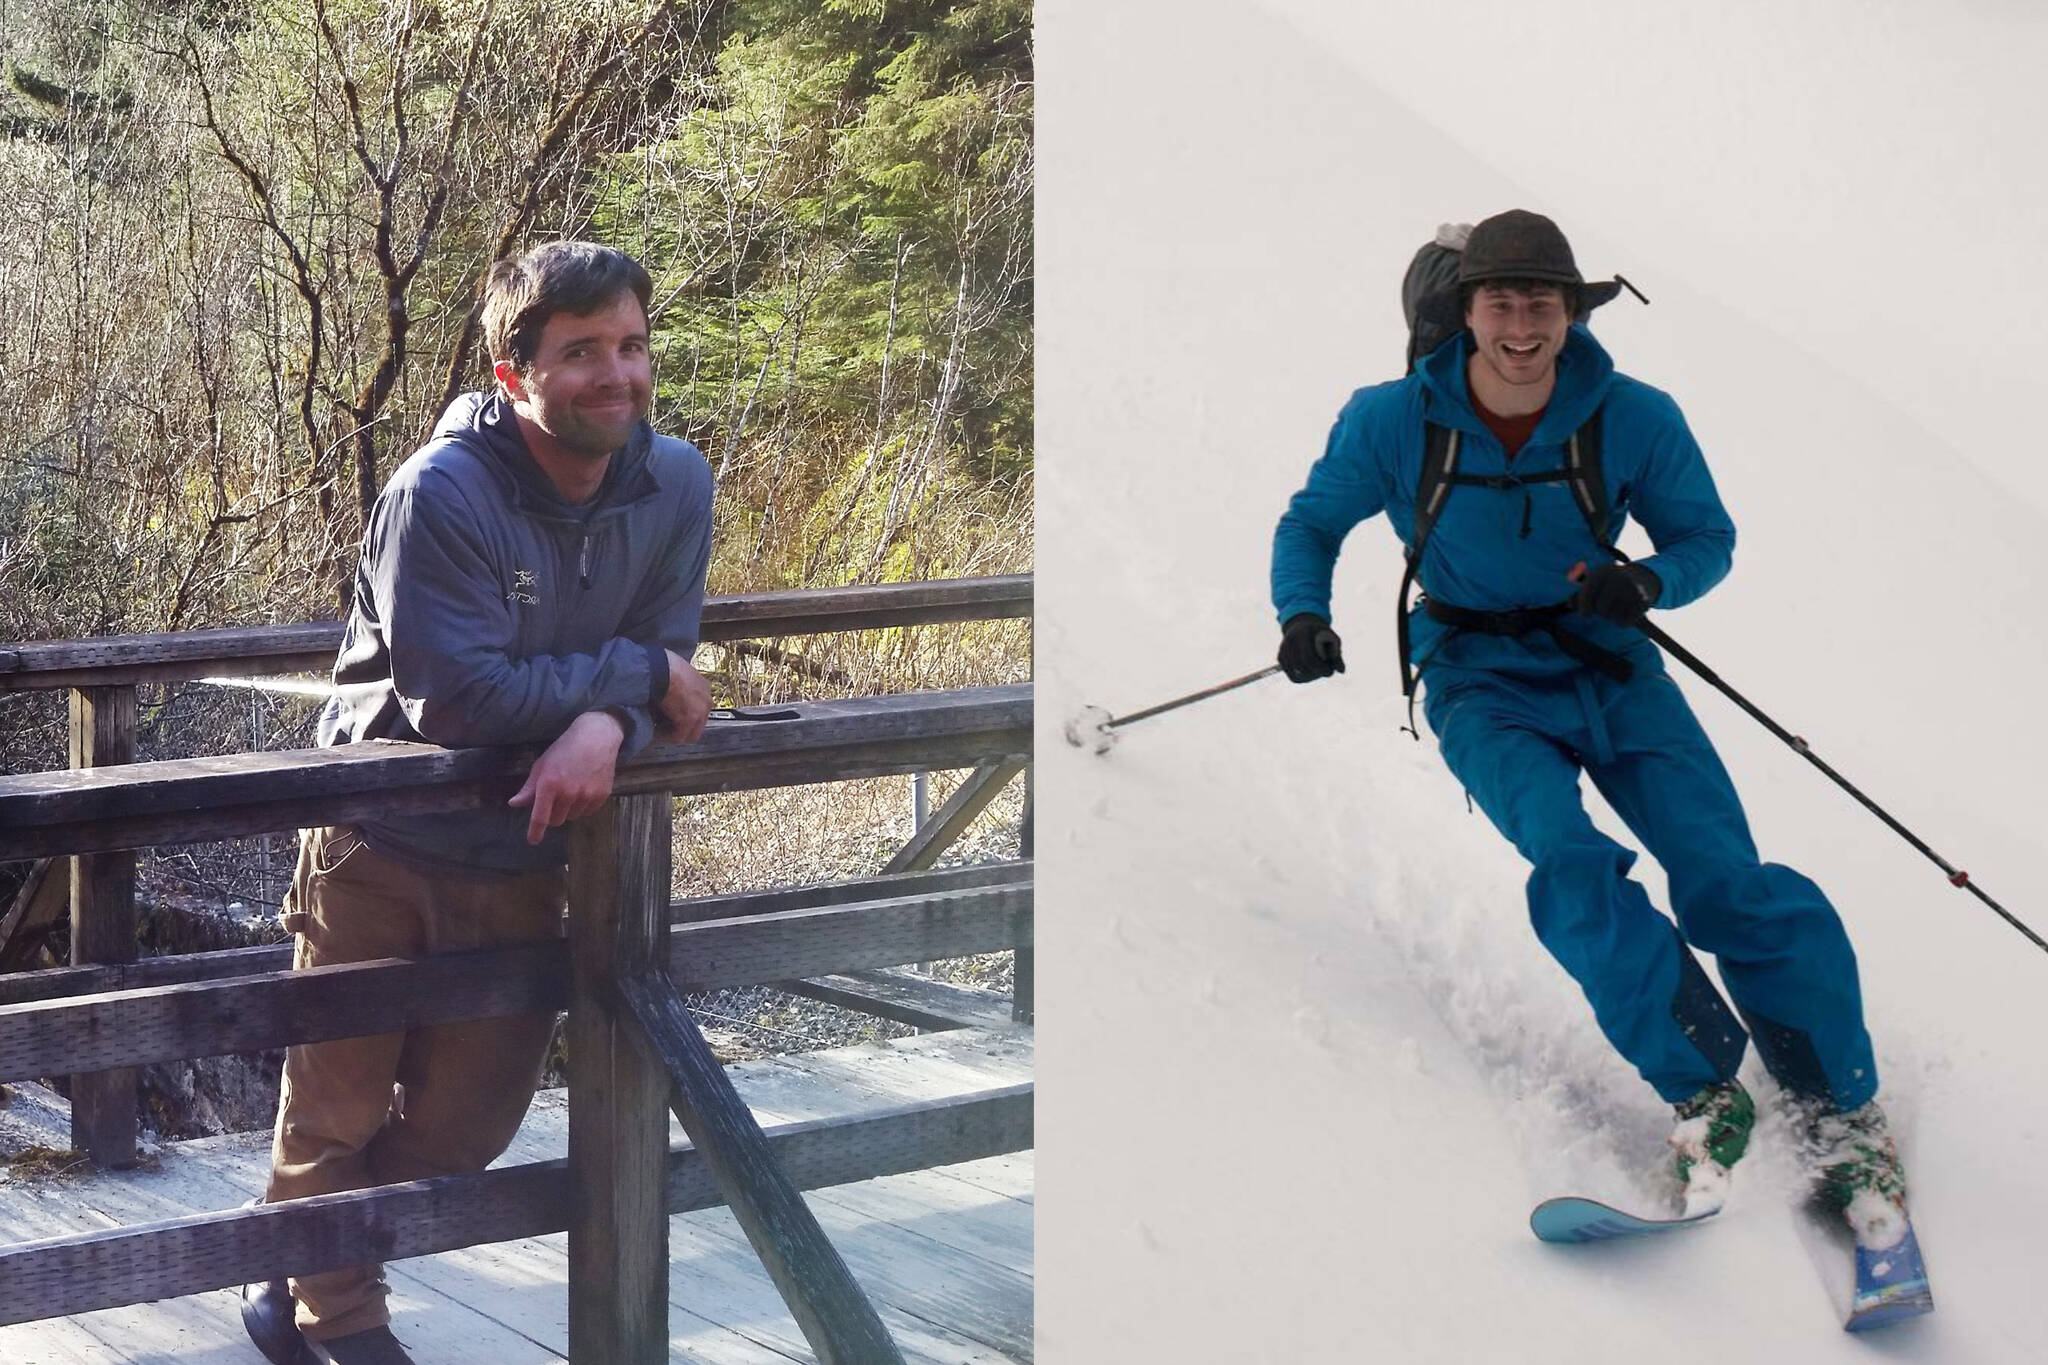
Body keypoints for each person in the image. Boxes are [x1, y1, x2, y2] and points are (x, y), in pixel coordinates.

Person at [1269, 209, 1906, 1234]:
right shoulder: (1390, 420)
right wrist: (1300, 612)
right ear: (1463, 311)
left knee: (1723, 877)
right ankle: (1703, 1084)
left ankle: (1839, 1107)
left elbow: (1706, 536)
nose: (1520, 325)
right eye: (1500, 303)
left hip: (1610, 664)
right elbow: (1311, 521)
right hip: (1476, 677)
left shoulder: (1633, 416)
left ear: (1569, 310)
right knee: (1569, 865)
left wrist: (1644, 580)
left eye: (1540, 303)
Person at [242, 240, 715, 1365]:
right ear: (514, 373)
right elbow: (458, 698)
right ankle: (341, 1324)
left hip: (528, 855)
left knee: (465, 1136)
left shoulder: (676, 483)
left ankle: (294, 1254)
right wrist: (637, 681)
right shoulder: (438, 494)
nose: (617, 375)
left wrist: (614, 718)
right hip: (382, 845)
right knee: (335, 1114)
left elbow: (676, 667)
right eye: (582, 352)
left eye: (633, 345)